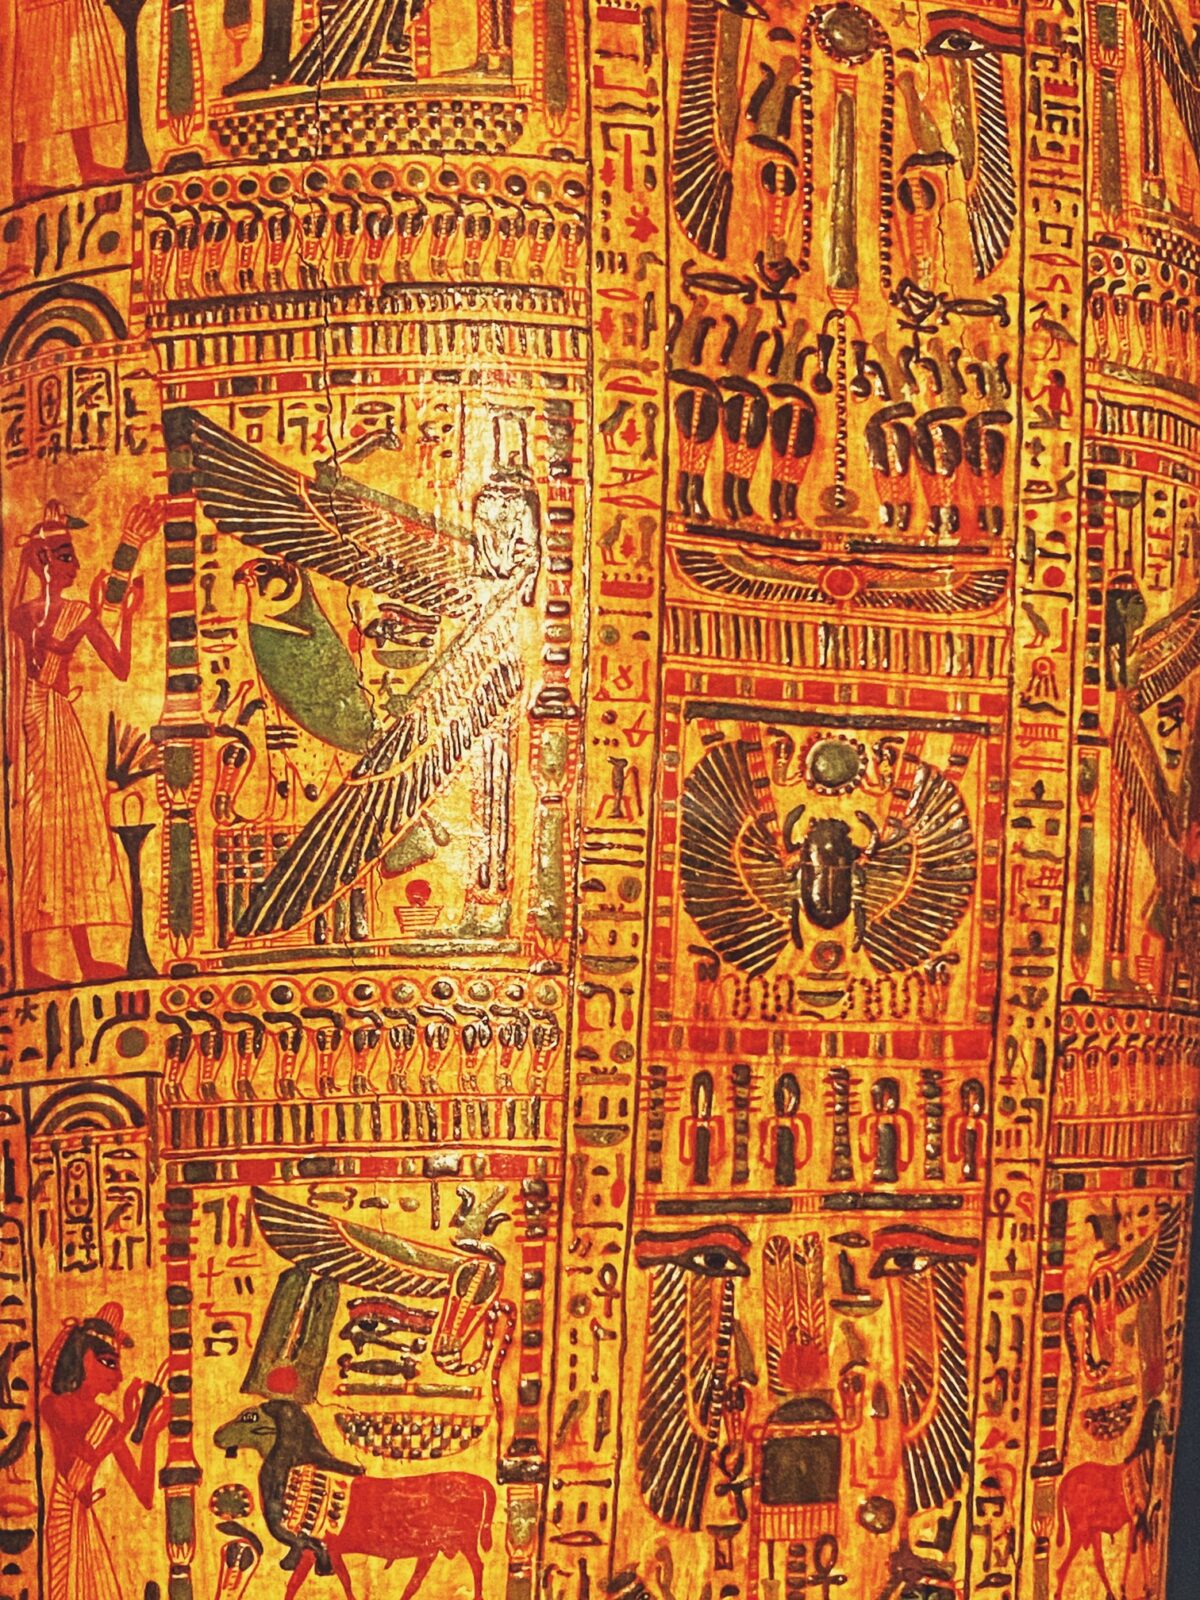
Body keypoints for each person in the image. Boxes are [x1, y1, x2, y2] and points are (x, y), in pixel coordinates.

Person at [10, 501, 151, 988]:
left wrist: (124, 614)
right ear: (44, 561)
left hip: (50, 718)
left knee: (69, 833)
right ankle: (30, 963)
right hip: (40, 719)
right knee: (45, 834)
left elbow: (120, 670)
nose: (75, 564)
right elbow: (118, 667)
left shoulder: (57, 614)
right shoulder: (41, 615)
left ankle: (80, 958)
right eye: (66, 555)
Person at [41, 1307, 167, 1600]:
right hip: (66, 1517)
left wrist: (151, 1433)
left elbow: (145, 1494)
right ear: (83, 1357)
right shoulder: (55, 1406)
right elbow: (78, 1468)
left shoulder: (108, 1423)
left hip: (85, 1520)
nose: (119, 1375)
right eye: (109, 1363)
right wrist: (126, 1425)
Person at [9, 0, 126, 201]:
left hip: (66, 7)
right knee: (33, 88)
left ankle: (87, 165)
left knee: (74, 82)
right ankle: (19, 180)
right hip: (39, 9)